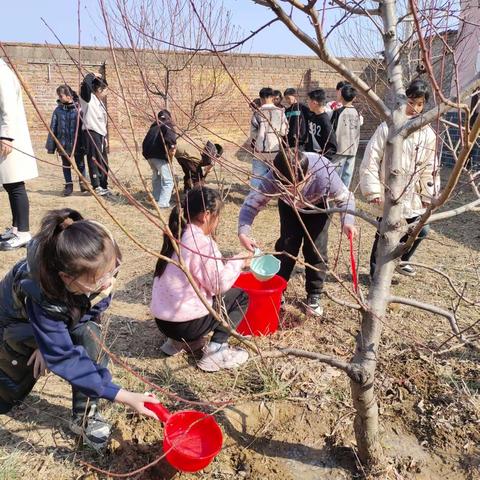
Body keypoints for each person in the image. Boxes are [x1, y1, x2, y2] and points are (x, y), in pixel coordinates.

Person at [0, 208, 160, 448]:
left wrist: (52, 342)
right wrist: (46, 344)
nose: (110, 282)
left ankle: (84, 416)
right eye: (100, 280)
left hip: (53, 318)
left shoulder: (101, 267)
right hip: (17, 325)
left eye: (113, 272)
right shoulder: (42, 293)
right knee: (7, 394)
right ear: (66, 278)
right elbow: (63, 356)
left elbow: (88, 314)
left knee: (89, 336)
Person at [238, 150, 357, 317]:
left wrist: (347, 222)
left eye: (296, 187)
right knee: (287, 246)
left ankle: (314, 294)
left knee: (315, 249)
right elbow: (252, 203)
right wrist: (243, 232)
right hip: (288, 208)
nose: (293, 193)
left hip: (319, 207)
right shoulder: (273, 177)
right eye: (286, 188)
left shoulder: (323, 173)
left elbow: (346, 198)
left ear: (307, 175)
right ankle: (278, 289)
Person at [151, 187, 251, 372]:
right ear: (206, 215)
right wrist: (238, 262)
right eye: (217, 215)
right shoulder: (201, 244)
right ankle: (216, 352)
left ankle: (177, 344)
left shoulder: (176, 233)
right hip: (185, 325)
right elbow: (218, 285)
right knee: (240, 297)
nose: (218, 220)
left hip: (164, 323)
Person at [360, 79, 439, 278]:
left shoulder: (427, 134)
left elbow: (431, 167)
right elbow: (371, 159)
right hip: (389, 192)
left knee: (422, 229)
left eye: (420, 104)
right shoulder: (387, 128)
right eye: (411, 102)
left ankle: (401, 259)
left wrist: (427, 194)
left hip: (413, 194)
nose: (415, 108)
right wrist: (373, 191)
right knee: (384, 235)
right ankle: (375, 272)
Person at [0, 58, 38, 251]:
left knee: (15, 184)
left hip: (8, 137)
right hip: (6, 135)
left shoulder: (1, 70)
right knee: (9, 183)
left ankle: (23, 232)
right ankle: (16, 228)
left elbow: (7, 105)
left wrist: (6, 135)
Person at [46, 84, 88, 196]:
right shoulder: (58, 111)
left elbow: (85, 127)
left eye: (61, 95)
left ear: (69, 96)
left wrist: (86, 142)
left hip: (78, 143)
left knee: (80, 164)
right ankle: (69, 185)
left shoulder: (79, 109)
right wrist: (51, 146)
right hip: (63, 144)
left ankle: (83, 184)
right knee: (66, 165)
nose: (59, 98)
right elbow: (53, 128)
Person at [250, 87, 288, 189]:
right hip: (276, 151)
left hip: (260, 151)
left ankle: (256, 198)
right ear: (272, 97)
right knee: (276, 175)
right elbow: (284, 132)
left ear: (261, 98)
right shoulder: (280, 112)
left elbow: (253, 134)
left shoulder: (257, 113)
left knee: (257, 177)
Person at [79, 73, 110, 196]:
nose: (106, 93)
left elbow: (102, 121)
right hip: (91, 133)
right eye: (105, 90)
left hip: (100, 134)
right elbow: (86, 85)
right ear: (99, 89)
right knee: (94, 160)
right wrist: (92, 75)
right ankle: (96, 185)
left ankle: (104, 184)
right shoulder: (88, 99)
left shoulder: (100, 102)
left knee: (103, 161)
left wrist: (105, 137)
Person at [142, 110, 177, 209]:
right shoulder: (167, 124)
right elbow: (171, 138)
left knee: (156, 176)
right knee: (168, 180)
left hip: (149, 155)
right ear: (169, 117)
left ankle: (157, 198)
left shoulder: (154, 126)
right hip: (159, 155)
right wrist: (172, 147)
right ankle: (163, 203)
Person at [330, 84, 363, 188]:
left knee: (335, 176)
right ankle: (344, 198)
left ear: (341, 96)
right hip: (353, 149)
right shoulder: (357, 113)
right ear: (354, 98)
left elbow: (331, 130)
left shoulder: (337, 112)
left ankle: (335, 197)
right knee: (347, 176)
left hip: (340, 149)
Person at [305, 89, 337, 159]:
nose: (307, 103)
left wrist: (322, 157)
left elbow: (332, 147)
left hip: (320, 159)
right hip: (311, 155)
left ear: (314, 103)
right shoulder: (312, 116)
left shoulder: (325, 121)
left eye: (308, 100)